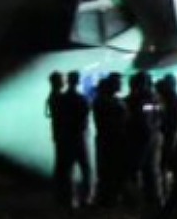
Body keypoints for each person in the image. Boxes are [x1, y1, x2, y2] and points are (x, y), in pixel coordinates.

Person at [48, 71, 92, 208]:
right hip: (78, 137)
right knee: (85, 168)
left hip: (64, 136)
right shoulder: (79, 98)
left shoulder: (59, 98)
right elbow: (85, 116)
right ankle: (85, 198)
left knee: (66, 169)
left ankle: (68, 199)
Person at [125, 72, 163, 212]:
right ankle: (153, 201)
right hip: (151, 138)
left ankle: (138, 203)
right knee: (151, 172)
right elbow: (157, 116)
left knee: (136, 171)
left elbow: (143, 119)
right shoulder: (154, 99)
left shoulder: (140, 99)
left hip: (141, 140)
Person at [90, 74, 127, 207]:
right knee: (107, 170)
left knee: (112, 170)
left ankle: (111, 198)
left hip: (112, 139)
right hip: (109, 140)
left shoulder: (109, 100)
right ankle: (107, 199)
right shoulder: (104, 101)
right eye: (118, 83)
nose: (120, 85)